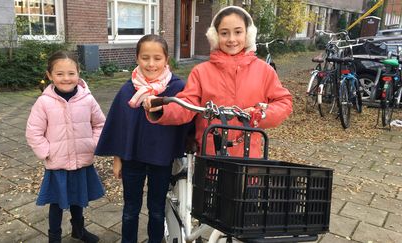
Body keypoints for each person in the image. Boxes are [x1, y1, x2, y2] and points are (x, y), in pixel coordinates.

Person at [144, 6, 292, 157]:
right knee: (208, 181)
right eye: (224, 33)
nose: (232, 39)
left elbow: (283, 102)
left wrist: (261, 115)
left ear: (248, 35)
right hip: (210, 153)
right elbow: (187, 104)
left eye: (238, 32)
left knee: (246, 181)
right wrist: (163, 109)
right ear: (215, 36)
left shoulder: (264, 71)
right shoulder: (201, 72)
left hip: (249, 154)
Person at [94, 34, 192, 243]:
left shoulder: (176, 89)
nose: (151, 63)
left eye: (157, 58)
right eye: (145, 57)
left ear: (166, 60)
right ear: (137, 58)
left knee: (156, 210)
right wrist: (117, 158)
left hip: (161, 159)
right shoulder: (128, 89)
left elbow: (187, 119)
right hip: (132, 159)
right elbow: (119, 127)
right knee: (130, 209)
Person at [26, 51, 106, 243]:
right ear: (49, 75)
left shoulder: (87, 99)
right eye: (60, 74)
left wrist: (92, 144)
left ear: (78, 73)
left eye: (71, 73)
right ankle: (54, 237)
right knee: (57, 204)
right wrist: (47, 152)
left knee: (78, 199)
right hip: (58, 164)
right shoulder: (44, 102)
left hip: (82, 161)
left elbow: (101, 124)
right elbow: (33, 132)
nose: (66, 78)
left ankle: (78, 230)